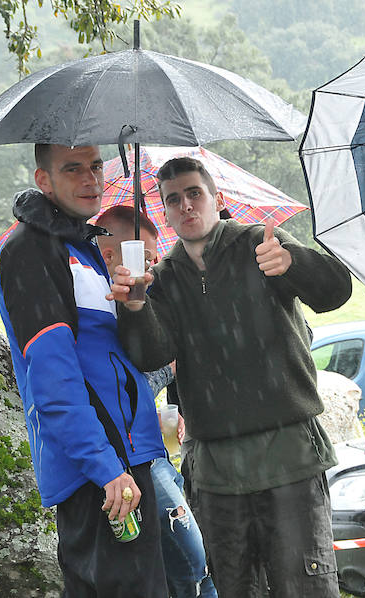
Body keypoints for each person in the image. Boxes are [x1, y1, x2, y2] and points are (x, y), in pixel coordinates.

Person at [107, 157, 352, 597]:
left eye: (194, 193)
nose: (186, 206)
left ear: (217, 199)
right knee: (236, 589)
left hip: (289, 456)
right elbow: (150, 355)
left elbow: (336, 291)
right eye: (173, 200)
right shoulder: (161, 279)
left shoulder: (261, 244)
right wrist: (137, 306)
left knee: (306, 588)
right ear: (164, 212)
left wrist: (292, 261)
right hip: (217, 470)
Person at [0, 144, 167, 597]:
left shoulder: (83, 246)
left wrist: (134, 305)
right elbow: (54, 379)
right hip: (98, 469)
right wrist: (104, 466)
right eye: (73, 169)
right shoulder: (30, 251)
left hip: (129, 454)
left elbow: (131, 358)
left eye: (95, 166)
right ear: (44, 180)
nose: (91, 179)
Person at [95, 204, 219, 598]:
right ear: (112, 254)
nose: (149, 267)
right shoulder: (95, 304)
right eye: (143, 257)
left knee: (180, 569)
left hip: (152, 451)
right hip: (130, 462)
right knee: (194, 566)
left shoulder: (139, 297)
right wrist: (169, 365)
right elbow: (126, 388)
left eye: (151, 257)